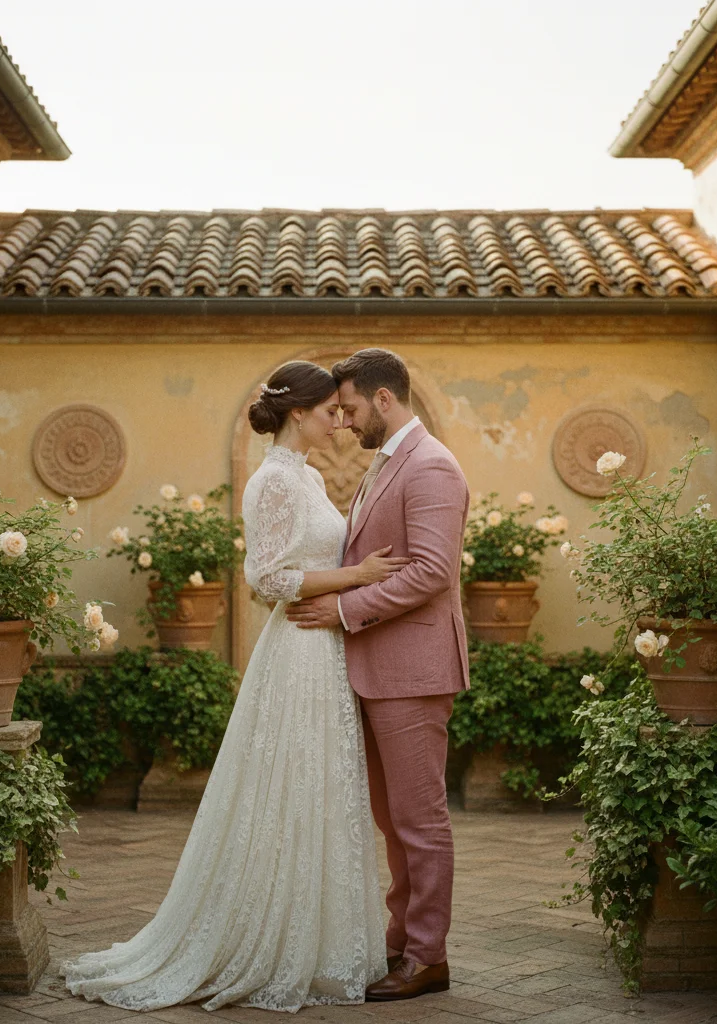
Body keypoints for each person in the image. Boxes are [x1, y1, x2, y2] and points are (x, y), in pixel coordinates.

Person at [61, 360, 404, 1012]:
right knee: (290, 786)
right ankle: (268, 943)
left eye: (342, 409)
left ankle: (323, 943)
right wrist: (358, 576)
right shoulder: (273, 481)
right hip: (298, 649)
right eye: (330, 409)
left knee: (321, 789)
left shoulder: (302, 475)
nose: (339, 418)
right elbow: (268, 578)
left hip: (323, 648)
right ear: (299, 412)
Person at [287, 348, 470, 1002]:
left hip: (414, 674)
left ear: (384, 399)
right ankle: (400, 946)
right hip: (377, 671)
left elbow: (431, 571)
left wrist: (341, 609)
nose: (346, 420)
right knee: (394, 822)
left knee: (419, 822)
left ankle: (427, 957)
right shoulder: (388, 463)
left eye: (352, 407)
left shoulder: (431, 467)